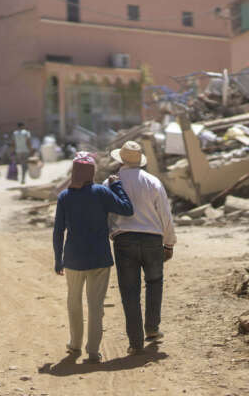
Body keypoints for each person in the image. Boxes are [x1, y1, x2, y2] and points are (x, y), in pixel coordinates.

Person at [53, 152, 134, 363]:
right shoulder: (101, 192)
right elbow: (127, 209)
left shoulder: (65, 196)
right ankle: (93, 351)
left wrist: (57, 259)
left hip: (72, 259)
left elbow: (58, 231)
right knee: (96, 306)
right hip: (99, 258)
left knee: (73, 302)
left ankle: (74, 344)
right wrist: (116, 187)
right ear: (92, 172)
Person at [105, 141, 177, 356]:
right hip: (153, 240)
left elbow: (106, 212)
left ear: (120, 159)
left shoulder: (110, 183)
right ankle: (152, 329)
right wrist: (169, 242)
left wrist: (111, 232)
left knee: (129, 292)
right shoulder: (152, 181)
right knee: (155, 283)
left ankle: (135, 343)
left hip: (124, 241)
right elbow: (165, 214)